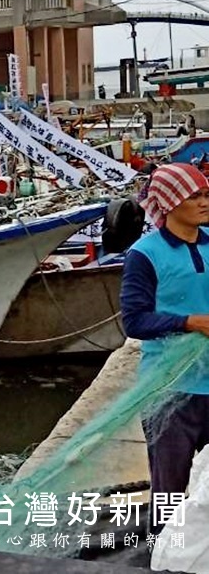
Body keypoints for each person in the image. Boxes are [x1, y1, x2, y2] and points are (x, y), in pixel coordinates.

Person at [120, 162, 209, 530]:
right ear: (170, 203)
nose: (205, 202)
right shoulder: (145, 255)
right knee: (169, 492)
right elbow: (135, 321)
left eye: (206, 194)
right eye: (195, 196)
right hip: (171, 391)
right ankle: (165, 558)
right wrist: (188, 321)